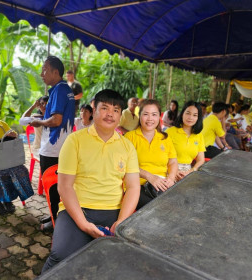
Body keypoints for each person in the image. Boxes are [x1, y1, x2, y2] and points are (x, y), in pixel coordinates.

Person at [41, 89, 140, 273]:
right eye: (105, 108)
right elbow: (65, 187)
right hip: (77, 209)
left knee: (122, 260)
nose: (110, 114)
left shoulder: (127, 146)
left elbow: (134, 187)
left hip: (114, 210)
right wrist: (83, 224)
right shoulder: (75, 141)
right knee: (61, 255)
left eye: (116, 110)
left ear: (120, 115)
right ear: (93, 109)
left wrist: (121, 221)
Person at [30, 56, 75, 232]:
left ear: (56, 72)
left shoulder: (58, 90)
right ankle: (54, 214)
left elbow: (56, 120)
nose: (42, 74)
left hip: (54, 148)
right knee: (58, 184)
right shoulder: (64, 89)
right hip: (62, 146)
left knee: (53, 184)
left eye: (45, 70)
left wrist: (38, 122)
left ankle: (56, 221)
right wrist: (44, 114)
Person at [125, 99, 178, 210]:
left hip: (162, 185)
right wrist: (149, 177)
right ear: (139, 116)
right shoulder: (129, 137)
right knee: (158, 208)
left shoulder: (165, 138)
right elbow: (124, 165)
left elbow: (172, 162)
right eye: (146, 114)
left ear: (159, 117)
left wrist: (171, 178)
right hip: (136, 186)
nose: (150, 119)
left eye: (154, 114)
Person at [166, 101, 205, 181]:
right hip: (169, 170)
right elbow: (161, 156)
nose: (190, 117)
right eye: (188, 113)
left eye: (195, 115)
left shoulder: (199, 136)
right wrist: (174, 171)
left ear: (198, 118)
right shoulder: (170, 132)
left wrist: (191, 171)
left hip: (188, 172)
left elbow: (201, 160)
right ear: (182, 114)